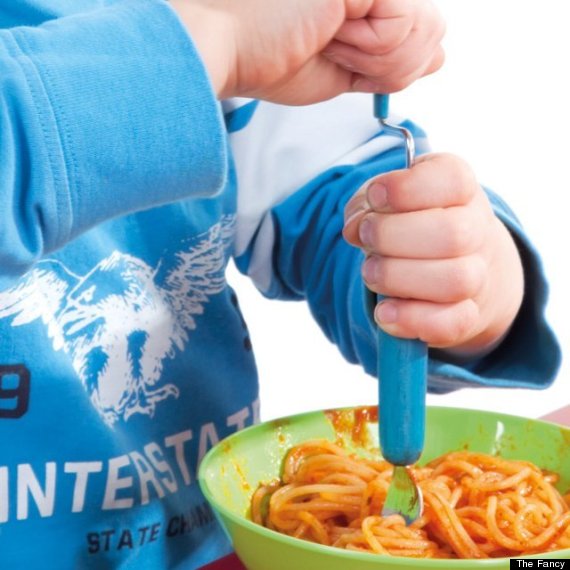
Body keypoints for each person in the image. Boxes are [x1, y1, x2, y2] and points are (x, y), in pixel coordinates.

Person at [0, 0, 560, 568]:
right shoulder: (219, 23)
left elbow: (334, 194)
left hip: (213, 541)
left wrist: (460, 277)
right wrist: (215, 43)